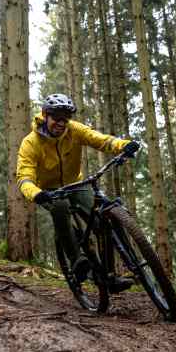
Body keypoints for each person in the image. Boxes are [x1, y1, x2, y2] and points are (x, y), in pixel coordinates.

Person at [16, 93, 140, 292]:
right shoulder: (31, 143)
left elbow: (100, 140)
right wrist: (36, 193)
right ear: (45, 115)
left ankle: (109, 278)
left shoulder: (74, 131)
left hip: (75, 184)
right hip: (48, 190)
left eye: (66, 118)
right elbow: (24, 177)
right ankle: (77, 261)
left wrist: (123, 146)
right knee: (60, 206)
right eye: (56, 117)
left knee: (103, 222)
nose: (61, 122)